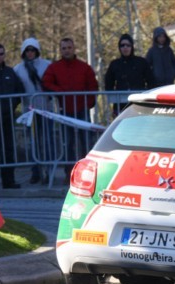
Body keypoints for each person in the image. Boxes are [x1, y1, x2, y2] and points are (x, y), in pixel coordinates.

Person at [42, 37, 99, 183]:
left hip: (82, 110)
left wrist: (88, 103)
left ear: (74, 49)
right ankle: (70, 175)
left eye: (69, 47)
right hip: (65, 111)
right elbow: (46, 82)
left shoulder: (84, 67)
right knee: (67, 144)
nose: (67, 50)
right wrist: (59, 92)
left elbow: (93, 86)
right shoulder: (54, 67)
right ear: (60, 50)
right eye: (64, 48)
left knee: (86, 143)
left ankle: (88, 174)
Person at [13, 37, 54, 184]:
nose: (30, 53)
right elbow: (16, 88)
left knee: (48, 141)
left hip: (46, 110)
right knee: (33, 143)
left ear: (37, 51)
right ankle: (35, 172)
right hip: (29, 112)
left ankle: (49, 172)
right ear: (23, 52)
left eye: (32, 50)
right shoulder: (18, 69)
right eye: (27, 50)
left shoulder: (47, 65)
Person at [0, 43, 24, 189]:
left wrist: (13, 105)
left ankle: (8, 181)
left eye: (1, 54)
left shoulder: (10, 72)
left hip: (7, 116)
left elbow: (20, 90)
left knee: (8, 148)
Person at [105, 34, 154, 116]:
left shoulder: (141, 62)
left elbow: (151, 81)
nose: (125, 48)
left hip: (139, 104)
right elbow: (108, 83)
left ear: (132, 47)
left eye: (128, 45)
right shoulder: (115, 64)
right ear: (119, 47)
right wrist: (113, 97)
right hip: (121, 106)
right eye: (122, 45)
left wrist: (147, 97)